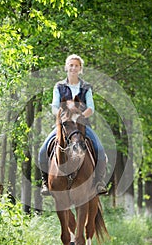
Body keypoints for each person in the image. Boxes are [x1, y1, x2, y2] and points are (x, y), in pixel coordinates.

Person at [38, 54, 108, 196]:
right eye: (71, 65)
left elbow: (91, 108)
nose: (73, 68)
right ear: (66, 67)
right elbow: (54, 107)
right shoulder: (59, 86)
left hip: (82, 125)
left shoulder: (86, 87)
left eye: (76, 65)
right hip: (64, 125)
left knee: (100, 150)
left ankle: (99, 182)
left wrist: (80, 116)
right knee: (42, 150)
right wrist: (64, 116)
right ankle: (45, 182)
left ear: (80, 69)